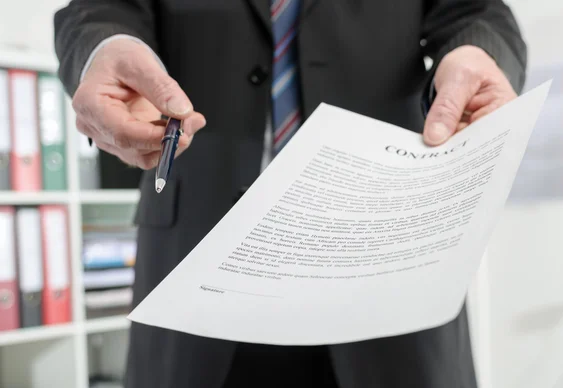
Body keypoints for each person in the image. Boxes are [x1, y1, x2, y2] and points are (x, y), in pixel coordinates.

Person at [54, 1, 526, 387]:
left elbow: (477, 12)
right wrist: (106, 49)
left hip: (386, 266)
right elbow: (97, 11)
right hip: (199, 267)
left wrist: (477, 54)